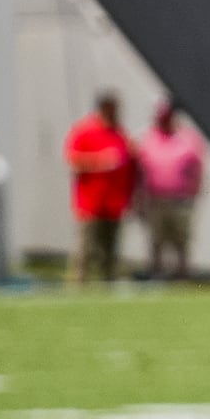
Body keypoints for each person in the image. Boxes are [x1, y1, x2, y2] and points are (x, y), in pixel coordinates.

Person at [66, 94, 134, 284]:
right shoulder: (85, 131)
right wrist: (101, 160)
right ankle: (78, 283)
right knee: (85, 248)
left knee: (110, 249)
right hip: (90, 202)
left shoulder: (119, 133)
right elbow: (73, 160)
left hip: (114, 203)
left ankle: (108, 282)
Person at [135, 101, 206, 282]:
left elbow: (197, 168)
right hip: (155, 198)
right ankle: (156, 274)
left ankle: (182, 275)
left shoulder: (188, 137)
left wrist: (195, 192)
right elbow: (138, 169)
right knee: (156, 239)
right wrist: (137, 198)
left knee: (181, 240)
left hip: (181, 199)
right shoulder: (148, 137)